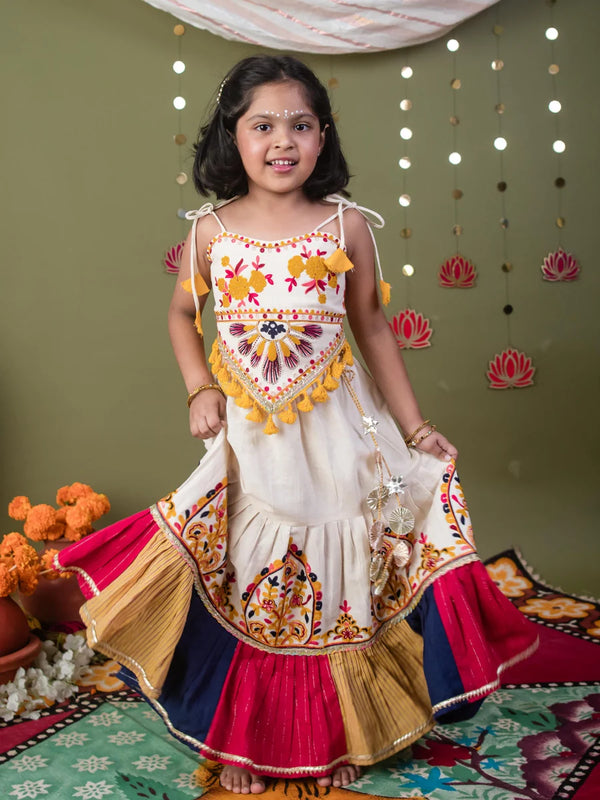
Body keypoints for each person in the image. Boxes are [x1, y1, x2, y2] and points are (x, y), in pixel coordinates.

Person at [55, 55, 538, 794]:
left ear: (323, 137)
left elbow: (372, 328)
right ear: (232, 137)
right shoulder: (210, 231)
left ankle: (337, 731)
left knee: (341, 565)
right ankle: (255, 740)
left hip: (343, 429)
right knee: (262, 573)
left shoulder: (346, 223)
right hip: (256, 437)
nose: (283, 141)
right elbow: (184, 315)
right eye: (263, 125)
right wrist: (198, 389)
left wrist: (415, 429)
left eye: (301, 125)